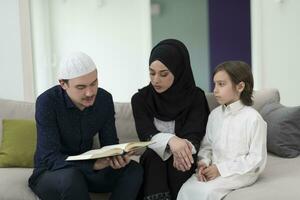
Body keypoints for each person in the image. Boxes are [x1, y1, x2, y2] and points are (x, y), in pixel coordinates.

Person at [28, 52, 143, 200]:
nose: (90, 93)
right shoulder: (47, 102)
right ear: (63, 84)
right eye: (81, 87)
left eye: (94, 83)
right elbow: (50, 158)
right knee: (71, 177)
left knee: (133, 170)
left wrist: (117, 157)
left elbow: (110, 144)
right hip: (51, 173)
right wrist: (92, 165)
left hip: (87, 173)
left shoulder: (104, 99)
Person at [131, 39, 210, 200]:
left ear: (179, 70)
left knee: (180, 160)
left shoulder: (196, 97)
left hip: (186, 158)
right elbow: (146, 134)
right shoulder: (140, 99)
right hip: (154, 160)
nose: (156, 80)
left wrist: (179, 148)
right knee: (154, 156)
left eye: (163, 74)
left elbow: (194, 135)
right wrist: (172, 141)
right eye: (152, 73)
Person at [177, 61, 267, 200]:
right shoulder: (214, 115)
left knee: (207, 192)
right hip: (214, 169)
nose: (215, 90)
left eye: (221, 84)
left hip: (241, 173)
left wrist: (220, 169)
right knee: (186, 189)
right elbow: (207, 147)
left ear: (240, 86)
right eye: (215, 84)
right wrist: (203, 164)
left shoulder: (253, 119)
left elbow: (256, 159)